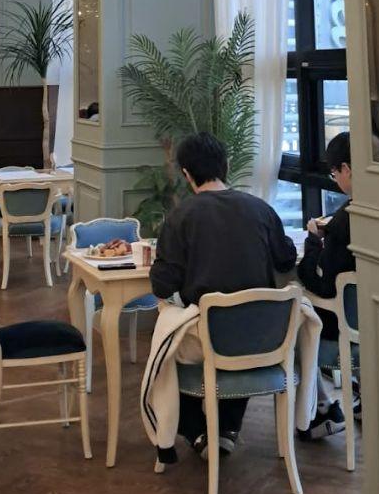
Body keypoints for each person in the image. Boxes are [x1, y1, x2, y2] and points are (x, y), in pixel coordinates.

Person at [150, 131, 298, 457]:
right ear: (226, 165)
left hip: (212, 338)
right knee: (237, 322)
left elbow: (163, 284)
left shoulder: (181, 217)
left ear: (186, 174)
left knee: (168, 344)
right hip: (267, 336)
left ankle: (194, 428)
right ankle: (228, 426)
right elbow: (286, 258)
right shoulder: (261, 209)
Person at [297, 130, 358, 437]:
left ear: (346, 169)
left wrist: (313, 243)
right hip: (376, 322)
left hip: (342, 330)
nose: (335, 180)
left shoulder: (345, 221)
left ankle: (320, 411)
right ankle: (359, 396)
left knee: (296, 321)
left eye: (335, 174)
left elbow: (323, 286)